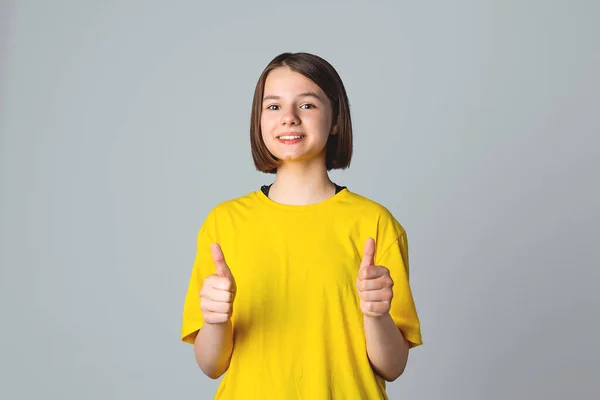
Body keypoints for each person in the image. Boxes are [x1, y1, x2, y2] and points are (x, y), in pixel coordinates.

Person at [181, 52, 422, 399]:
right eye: (274, 107)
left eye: (307, 105)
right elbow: (211, 365)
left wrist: (377, 315)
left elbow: (393, 366)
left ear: (335, 119)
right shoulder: (223, 224)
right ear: (258, 120)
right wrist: (217, 320)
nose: (289, 119)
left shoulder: (375, 223)